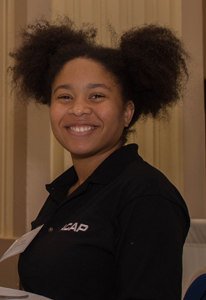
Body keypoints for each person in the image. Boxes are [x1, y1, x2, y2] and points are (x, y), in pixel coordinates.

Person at [10, 18, 191, 300]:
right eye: (65, 96)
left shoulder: (146, 195)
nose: (79, 109)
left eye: (96, 95)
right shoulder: (64, 192)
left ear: (127, 112)